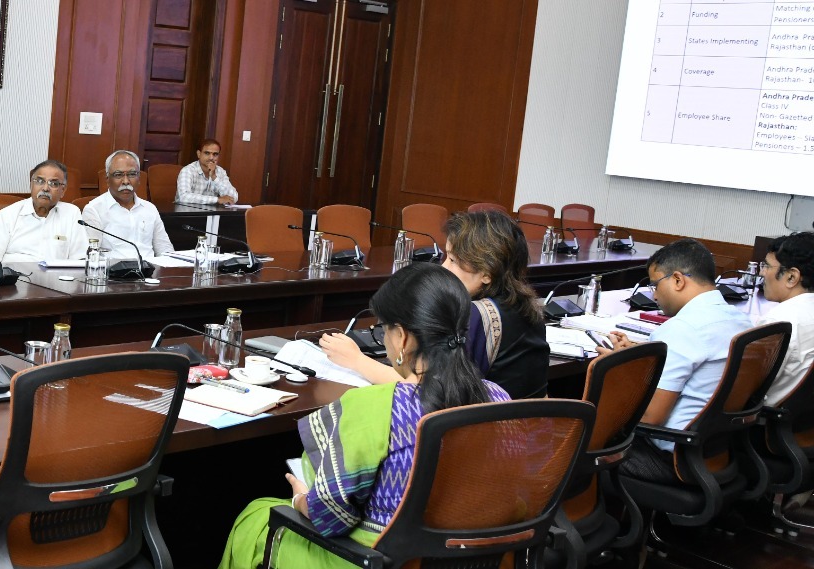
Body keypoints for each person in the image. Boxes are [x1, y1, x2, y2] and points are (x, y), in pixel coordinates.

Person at [219, 263, 511, 569]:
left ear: (402, 338)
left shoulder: (375, 406)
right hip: (474, 559)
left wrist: (301, 500)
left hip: (378, 559)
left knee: (257, 515)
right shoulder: (499, 399)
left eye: (383, 329)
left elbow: (330, 516)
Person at [320, 210, 548, 399]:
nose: (443, 268)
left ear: (487, 273)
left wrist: (357, 360)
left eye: (454, 261)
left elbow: (426, 390)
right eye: (446, 257)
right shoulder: (528, 307)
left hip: (494, 432)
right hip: (531, 430)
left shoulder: (475, 315)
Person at [596, 239, 752, 484]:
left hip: (671, 458)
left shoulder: (683, 328)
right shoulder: (740, 320)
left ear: (678, 280)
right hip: (715, 454)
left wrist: (620, 370)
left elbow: (650, 417)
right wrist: (639, 356)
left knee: (577, 450)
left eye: (655, 285)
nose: (654, 295)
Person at [0, 160, 89, 263]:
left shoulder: (71, 213)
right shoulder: (8, 214)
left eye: (53, 184)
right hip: (13, 277)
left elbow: (80, 259)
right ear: (31, 185)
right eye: (40, 181)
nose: (45, 188)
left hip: (55, 278)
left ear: (63, 190)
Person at [81, 149, 172, 260]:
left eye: (132, 174)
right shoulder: (94, 210)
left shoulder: (150, 208)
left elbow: (164, 248)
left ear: (139, 179)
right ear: (107, 180)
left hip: (150, 268)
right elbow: (92, 254)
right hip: (113, 270)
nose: (126, 181)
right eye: (118, 175)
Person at [757, 232, 814, 406]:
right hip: (801, 417)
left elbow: (748, 389)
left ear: (791, 277)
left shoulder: (778, 322)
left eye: (767, 266)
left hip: (765, 417)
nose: (761, 272)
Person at [175, 138, 237, 206]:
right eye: (207, 153)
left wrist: (214, 177)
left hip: (212, 212)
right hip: (188, 211)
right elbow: (184, 196)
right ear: (199, 154)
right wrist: (217, 200)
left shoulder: (220, 172)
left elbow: (234, 198)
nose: (211, 158)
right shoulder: (188, 170)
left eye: (215, 154)